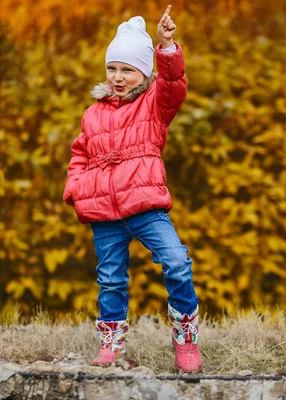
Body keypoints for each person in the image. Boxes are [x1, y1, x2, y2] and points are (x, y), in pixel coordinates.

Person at [62, 6, 201, 373]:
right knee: (110, 280)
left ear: (143, 72)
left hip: (145, 206)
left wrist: (166, 46)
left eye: (127, 69)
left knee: (176, 262)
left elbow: (173, 84)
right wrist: (75, 186)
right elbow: (81, 152)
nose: (118, 77)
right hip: (104, 212)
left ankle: (185, 334)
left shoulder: (154, 104)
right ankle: (111, 344)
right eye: (112, 68)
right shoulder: (93, 113)